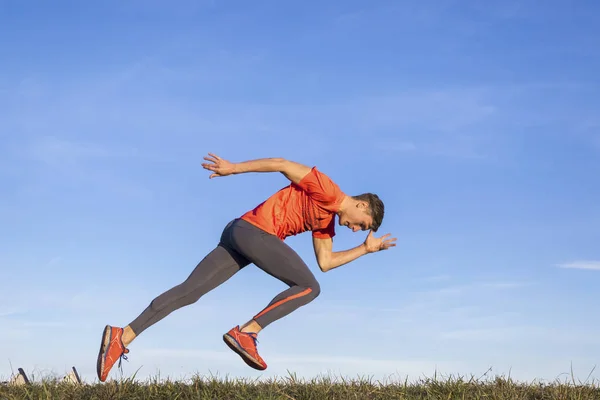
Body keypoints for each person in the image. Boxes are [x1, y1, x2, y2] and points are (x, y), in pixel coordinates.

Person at [96, 154, 396, 382]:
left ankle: (122, 336)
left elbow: (326, 262)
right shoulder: (328, 190)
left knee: (189, 292)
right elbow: (282, 164)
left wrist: (365, 250)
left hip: (239, 233)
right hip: (253, 232)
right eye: (363, 226)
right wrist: (233, 168)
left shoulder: (326, 221)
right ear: (362, 206)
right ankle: (247, 333)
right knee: (309, 287)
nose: (357, 231)